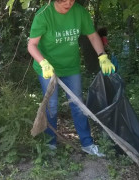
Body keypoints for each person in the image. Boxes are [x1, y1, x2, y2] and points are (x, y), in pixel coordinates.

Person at [27, 0, 115, 157]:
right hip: (47, 67)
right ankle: (50, 143)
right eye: (64, 1)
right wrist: (43, 63)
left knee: (78, 104)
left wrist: (102, 56)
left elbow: (93, 35)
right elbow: (32, 45)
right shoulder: (43, 15)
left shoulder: (79, 12)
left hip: (71, 66)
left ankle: (87, 143)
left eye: (71, 0)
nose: (68, 3)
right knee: (52, 105)